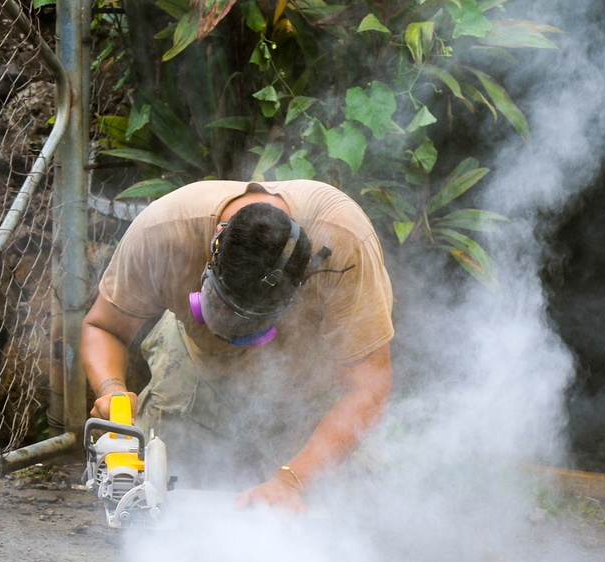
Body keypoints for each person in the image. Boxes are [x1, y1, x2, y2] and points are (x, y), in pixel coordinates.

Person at [81, 179, 394, 512]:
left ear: (305, 275)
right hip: (193, 362)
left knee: (346, 516)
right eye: (217, 305)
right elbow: (103, 326)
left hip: (309, 386)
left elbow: (368, 386)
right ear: (216, 239)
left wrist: (292, 481)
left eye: (248, 326)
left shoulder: (343, 244)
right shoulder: (164, 232)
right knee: (145, 501)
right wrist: (112, 390)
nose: (229, 334)